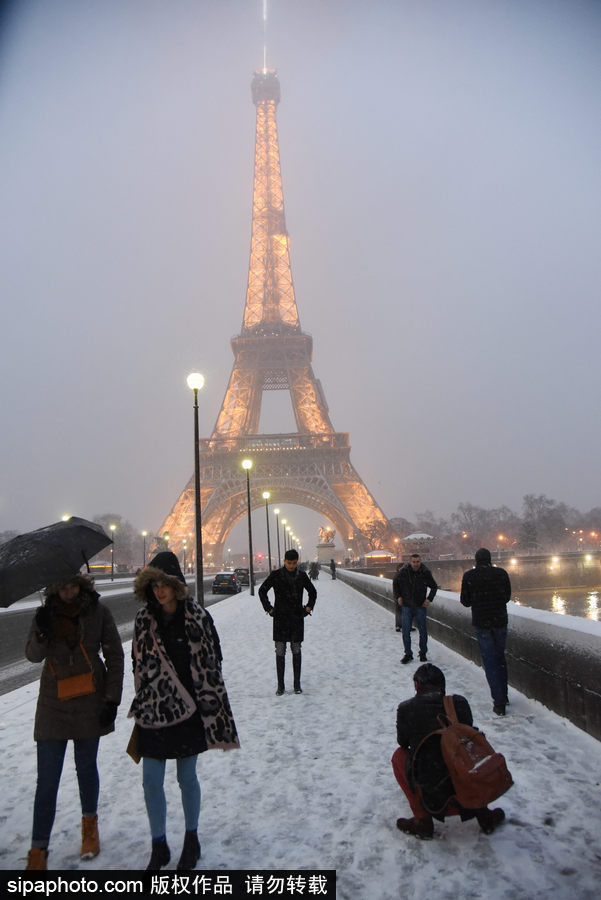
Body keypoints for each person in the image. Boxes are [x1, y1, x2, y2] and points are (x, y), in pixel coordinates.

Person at [129, 552, 239, 871]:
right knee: (150, 781)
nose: (160, 590)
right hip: (154, 709)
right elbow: (138, 663)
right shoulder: (142, 620)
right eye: (154, 585)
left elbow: (214, 660)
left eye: (165, 584)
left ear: (176, 585)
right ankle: (159, 844)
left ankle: (192, 839)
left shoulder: (198, 617)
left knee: (186, 777)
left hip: (189, 709)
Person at [24, 573, 124, 870]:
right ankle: (38, 849)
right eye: (62, 587)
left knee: (86, 769)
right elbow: (32, 656)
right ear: (54, 589)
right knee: (47, 781)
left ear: (81, 585)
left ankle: (90, 828)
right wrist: (41, 632)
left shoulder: (98, 612)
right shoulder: (45, 615)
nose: (68, 592)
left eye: (72, 586)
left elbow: (115, 656)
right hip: (53, 704)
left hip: (89, 701)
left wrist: (112, 699)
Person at [391, 663, 505, 839]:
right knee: (467, 752)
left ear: (417, 685)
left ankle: (422, 820)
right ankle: (483, 814)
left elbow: (403, 742)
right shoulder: (458, 703)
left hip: (430, 786)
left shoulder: (406, 708)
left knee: (399, 757)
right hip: (462, 780)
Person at [460, 547, 512, 715]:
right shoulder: (501, 574)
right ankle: (504, 694)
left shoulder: (469, 576)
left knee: (490, 661)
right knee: (500, 658)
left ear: (476, 560)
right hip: (500, 621)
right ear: (490, 559)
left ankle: (499, 701)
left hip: (482, 622)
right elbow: (507, 597)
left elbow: (465, 601)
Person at [258, 548, 317, 695]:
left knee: (295, 650)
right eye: (289, 563)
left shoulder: (301, 576)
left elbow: (313, 592)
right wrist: (269, 608)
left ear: (297, 562)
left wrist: (308, 607)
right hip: (282, 619)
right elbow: (262, 591)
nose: (291, 565)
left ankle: (296, 684)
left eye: (294, 563)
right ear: (284, 561)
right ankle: (281, 686)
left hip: (293, 618)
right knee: (280, 651)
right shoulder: (277, 575)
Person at [393, 554, 438, 664]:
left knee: (423, 631)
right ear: (410, 562)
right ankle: (408, 654)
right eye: (414, 562)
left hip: (420, 605)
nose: (416, 564)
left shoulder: (425, 572)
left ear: (420, 561)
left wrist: (429, 599)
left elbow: (434, 586)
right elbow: (395, 584)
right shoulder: (404, 572)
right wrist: (398, 597)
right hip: (407, 606)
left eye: (418, 562)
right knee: (405, 631)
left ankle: (423, 653)